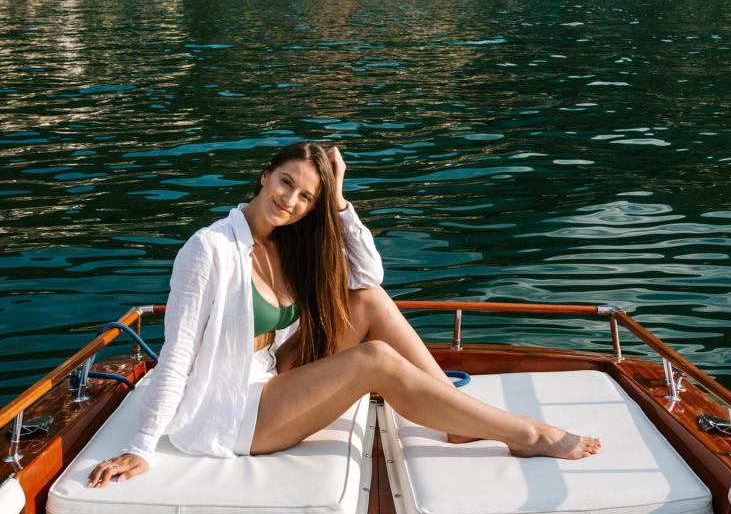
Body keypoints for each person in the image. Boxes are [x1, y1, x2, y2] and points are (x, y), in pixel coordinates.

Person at [88, 142, 599, 488]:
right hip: (231, 412)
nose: (289, 200)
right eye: (285, 183)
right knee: (374, 359)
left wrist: (338, 200)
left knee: (369, 302)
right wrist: (143, 447)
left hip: (268, 375)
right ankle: (526, 435)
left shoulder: (287, 243)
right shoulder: (209, 249)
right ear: (264, 175)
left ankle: (456, 416)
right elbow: (176, 354)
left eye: (306, 196)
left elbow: (370, 276)